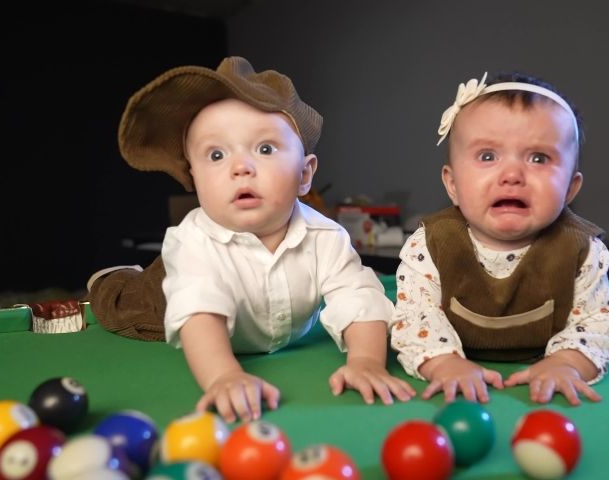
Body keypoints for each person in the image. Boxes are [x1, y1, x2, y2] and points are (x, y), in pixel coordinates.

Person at [85, 57, 415, 423]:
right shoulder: (193, 242)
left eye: (265, 149)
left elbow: (358, 298)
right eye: (216, 154)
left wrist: (366, 360)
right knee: (121, 304)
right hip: (162, 292)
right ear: (194, 178)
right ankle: (110, 277)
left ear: (304, 175)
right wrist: (223, 375)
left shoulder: (327, 237)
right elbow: (199, 316)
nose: (241, 167)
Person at [389, 71, 609, 406]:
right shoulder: (429, 244)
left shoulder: (582, 250)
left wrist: (567, 363)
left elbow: (595, 323)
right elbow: (416, 316)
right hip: (450, 352)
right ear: (453, 184)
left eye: (538, 158)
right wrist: (444, 363)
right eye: (487, 156)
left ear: (570, 189)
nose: (513, 175)